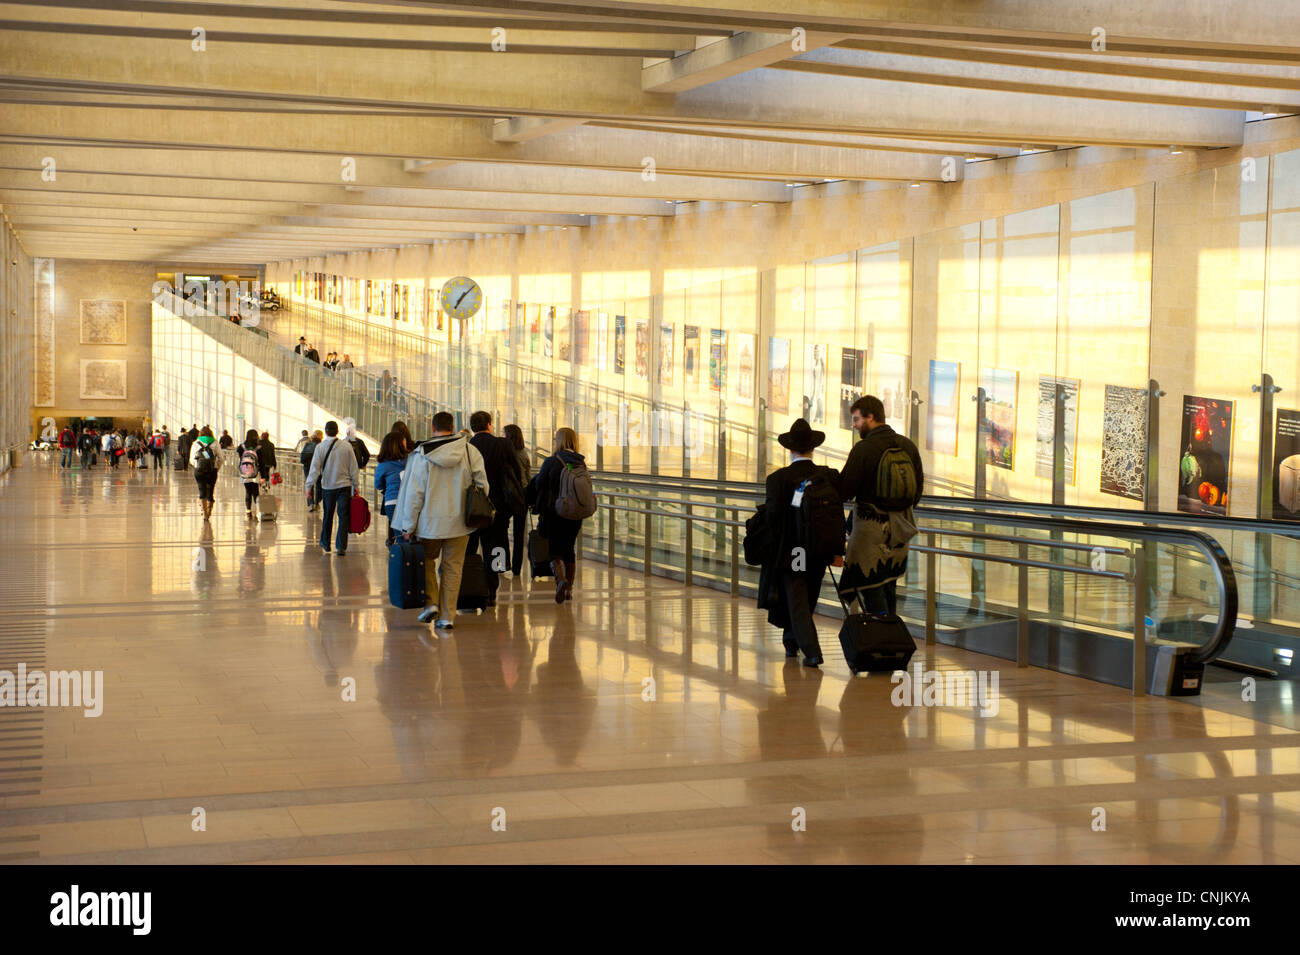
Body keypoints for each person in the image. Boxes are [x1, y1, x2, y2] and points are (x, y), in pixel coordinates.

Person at [391, 411, 488, 630]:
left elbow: (415, 494)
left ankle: (431, 603)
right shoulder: (469, 451)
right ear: (452, 427)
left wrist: (408, 525)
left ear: (433, 428)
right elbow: (483, 486)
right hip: (461, 523)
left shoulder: (421, 454)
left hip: (429, 524)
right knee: (453, 568)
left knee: (426, 561)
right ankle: (447, 617)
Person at [759, 418, 841, 667]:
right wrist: (837, 550)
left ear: (789, 449)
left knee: (797, 598)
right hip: (821, 548)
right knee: (808, 596)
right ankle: (791, 642)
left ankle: (812, 651)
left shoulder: (778, 479)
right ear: (813, 448)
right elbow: (837, 513)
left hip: (795, 550)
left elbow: (773, 518)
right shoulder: (827, 476)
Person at [835, 395, 924, 617]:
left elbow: (844, 491)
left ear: (871, 417)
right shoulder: (907, 446)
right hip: (900, 531)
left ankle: (880, 630)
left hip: (869, 533)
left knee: (870, 584)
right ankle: (890, 630)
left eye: (857, 419)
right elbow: (917, 489)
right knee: (889, 583)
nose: (854, 425)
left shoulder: (864, 449)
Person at [527, 427, 590, 604]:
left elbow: (539, 483)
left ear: (558, 441)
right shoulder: (580, 463)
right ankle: (569, 590)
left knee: (554, 551)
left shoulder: (552, 461)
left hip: (554, 512)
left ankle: (561, 580)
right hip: (575, 513)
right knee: (569, 549)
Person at [468, 411, 523, 606]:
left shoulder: (467, 446)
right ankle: (492, 590)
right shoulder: (503, 444)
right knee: (495, 546)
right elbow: (516, 472)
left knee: (470, 548)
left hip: (472, 507)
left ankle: (471, 587)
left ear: (473, 427)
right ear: (489, 425)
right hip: (498, 506)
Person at [305, 420, 359, 555]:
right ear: (337, 431)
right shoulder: (346, 446)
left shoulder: (320, 447)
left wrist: (308, 486)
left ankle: (325, 542)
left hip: (328, 487)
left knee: (328, 515)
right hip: (344, 486)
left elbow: (314, 470)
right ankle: (341, 547)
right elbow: (354, 467)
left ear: (326, 432)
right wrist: (356, 485)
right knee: (343, 516)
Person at [503, 424, 531, 576]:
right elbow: (528, 477)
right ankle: (516, 568)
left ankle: (502, 564)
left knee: (500, 531)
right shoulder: (524, 453)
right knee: (519, 534)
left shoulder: (505, 453)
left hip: (507, 496)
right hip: (522, 496)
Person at [374, 431, 408, 546]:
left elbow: (378, 485)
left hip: (392, 502)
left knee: (399, 536)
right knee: (412, 536)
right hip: (410, 502)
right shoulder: (411, 461)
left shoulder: (383, 464)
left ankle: (401, 555)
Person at [190, 425, 221, 520]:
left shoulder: (196, 443)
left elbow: (191, 459)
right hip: (212, 470)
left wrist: (197, 466)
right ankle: (209, 511)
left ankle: (204, 513)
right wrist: (216, 467)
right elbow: (221, 458)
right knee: (210, 491)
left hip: (199, 470)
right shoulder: (215, 443)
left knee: (201, 490)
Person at [236, 428, 262, 519]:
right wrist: (264, 475)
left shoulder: (242, 446)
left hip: (245, 471)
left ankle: (248, 511)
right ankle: (258, 510)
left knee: (248, 491)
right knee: (256, 492)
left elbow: (239, 455)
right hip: (255, 472)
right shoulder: (258, 447)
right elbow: (261, 461)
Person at [301, 430, 323, 511]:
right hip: (317, 467)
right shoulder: (320, 445)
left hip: (307, 467)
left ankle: (310, 503)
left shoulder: (307, 444)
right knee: (319, 485)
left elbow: (302, 458)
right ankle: (317, 503)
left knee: (309, 485)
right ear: (320, 436)